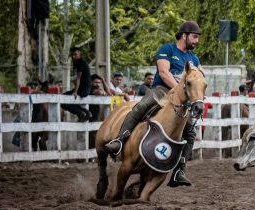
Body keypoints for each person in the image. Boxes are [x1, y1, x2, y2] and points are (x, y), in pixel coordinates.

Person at [104, 21, 203, 188]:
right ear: (184, 36)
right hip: (161, 90)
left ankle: (179, 171)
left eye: (197, 38)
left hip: (181, 100)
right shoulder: (167, 50)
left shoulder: (194, 58)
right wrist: (178, 90)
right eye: (194, 37)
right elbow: (164, 73)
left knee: (190, 132)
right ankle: (119, 141)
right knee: (141, 107)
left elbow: (199, 78)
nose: (196, 41)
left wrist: (197, 96)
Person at [61, 46, 92, 122]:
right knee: (64, 98)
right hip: (83, 89)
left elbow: (78, 78)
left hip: (83, 90)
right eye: (72, 55)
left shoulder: (81, 62)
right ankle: (84, 112)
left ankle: (81, 113)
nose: (74, 56)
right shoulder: (77, 63)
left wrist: (75, 92)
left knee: (63, 100)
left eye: (75, 54)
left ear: (79, 53)